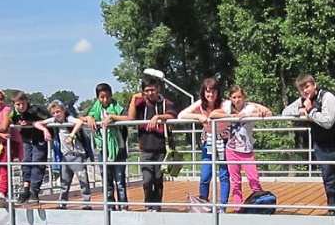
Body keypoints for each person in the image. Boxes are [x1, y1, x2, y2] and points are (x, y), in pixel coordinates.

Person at [282, 74, 335, 216]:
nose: (305, 91)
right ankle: (333, 210)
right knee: (329, 179)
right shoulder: (303, 101)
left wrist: (310, 111)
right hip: (321, 145)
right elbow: (285, 112)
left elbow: (328, 121)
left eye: (307, 86)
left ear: (314, 85)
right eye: (302, 89)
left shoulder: (327, 97)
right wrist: (301, 110)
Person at [210, 85, 272, 213]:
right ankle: (238, 208)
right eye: (234, 97)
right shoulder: (227, 107)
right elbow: (212, 114)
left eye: (239, 97)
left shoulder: (249, 108)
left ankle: (260, 206)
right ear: (230, 98)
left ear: (244, 97)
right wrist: (231, 116)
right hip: (231, 150)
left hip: (246, 150)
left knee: (254, 180)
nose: (237, 100)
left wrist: (254, 113)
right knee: (235, 182)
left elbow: (268, 113)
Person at [178, 77, 230, 208]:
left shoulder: (225, 104)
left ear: (218, 92)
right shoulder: (200, 104)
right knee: (205, 175)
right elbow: (181, 115)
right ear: (203, 92)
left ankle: (222, 207)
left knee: (224, 175)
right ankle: (203, 205)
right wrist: (198, 116)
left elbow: (237, 111)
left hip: (224, 140)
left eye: (213, 91)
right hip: (209, 140)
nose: (210, 94)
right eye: (208, 91)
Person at [128, 76, 177, 211]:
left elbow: (172, 115)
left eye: (152, 89)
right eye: (147, 90)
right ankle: (148, 204)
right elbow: (131, 117)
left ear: (158, 89)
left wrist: (158, 117)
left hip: (162, 148)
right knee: (147, 179)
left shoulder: (165, 103)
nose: (150, 93)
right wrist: (133, 98)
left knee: (158, 178)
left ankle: (156, 205)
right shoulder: (141, 104)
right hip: (146, 149)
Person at [34, 100, 91, 210]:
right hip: (65, 156)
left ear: (64, 111)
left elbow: (79, 122)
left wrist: (72, 135)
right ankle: (62, 203)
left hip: (77, 155)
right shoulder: (54, 120)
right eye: (54, 113)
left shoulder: (68, 119)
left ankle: (86, 203)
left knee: (83, 180)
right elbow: (37, 123)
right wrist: (45, 130)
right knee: (64, 182)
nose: (56, 114)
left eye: (58, 112)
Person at [83, 82, 130, 210]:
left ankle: (123, 207)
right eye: (102, 97)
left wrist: (111, 117)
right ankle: (110, 207)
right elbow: (80, 118)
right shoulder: (95, 109)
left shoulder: (117, 107)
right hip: (103, 150)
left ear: (111, 96)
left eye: (107, 96)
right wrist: (88, 118)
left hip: (118, 149)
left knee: (120, 181)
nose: (105, 100)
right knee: (107, 181)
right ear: (97, 97)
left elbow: (128, 118)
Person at [10, 91, 49, 204]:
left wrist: (31, 122)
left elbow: (48, 119)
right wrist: (19, 123)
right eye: (18, 104)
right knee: (26, 162)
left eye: (23, 103)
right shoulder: (15, 114)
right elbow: (11, 120)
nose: (21, 106)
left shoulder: (35, 110)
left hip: (39, 139)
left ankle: (34, 190)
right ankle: (26, 189)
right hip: (27, 140)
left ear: (27, 101)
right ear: (14, 104)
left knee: (38, 162)